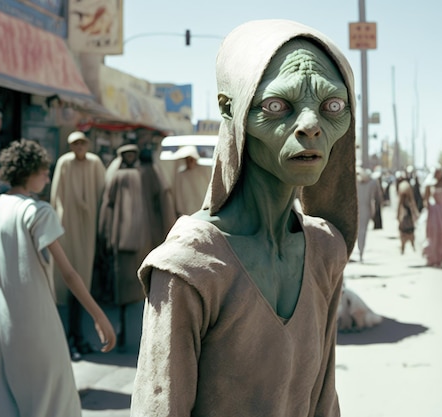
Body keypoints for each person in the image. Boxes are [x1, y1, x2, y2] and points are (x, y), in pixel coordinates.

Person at [130, 19, 358, 416]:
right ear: (230, 109)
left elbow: (324, 400)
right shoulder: (190, 266)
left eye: (332, 107)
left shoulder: (325, 249)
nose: (310, 126)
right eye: (277, 106)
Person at [0, 139, 115, 417]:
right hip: (36, 324)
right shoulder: (37, 212)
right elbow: (70, 274)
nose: (48, 177)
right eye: (43, 172)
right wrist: (98, 315)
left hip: (0, 331)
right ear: (29, 173)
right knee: (54, 403)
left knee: (10, 402)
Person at [50, 130, 106, 360]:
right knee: (66, 280)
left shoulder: (95, 163)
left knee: (83, 279)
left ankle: (78, 336)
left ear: (88, 144)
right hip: (67, 229)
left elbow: (103, 194)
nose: (79, 147)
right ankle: (69, 337)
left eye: (82, 143)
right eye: (75, 143)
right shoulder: (64, 163)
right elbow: (56, 195)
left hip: (89, 227)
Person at [98, 143, 147, 350]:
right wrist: (106, 234)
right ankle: (120, 331)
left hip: (138, 238)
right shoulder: (115, 176)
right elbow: (108, 205)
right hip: (119, 238)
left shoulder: (142, 175)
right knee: (120, 287)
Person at [172, 145, 211, 216]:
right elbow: (178, 195)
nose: (189, 161)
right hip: (188, 213)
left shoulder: (204, 171)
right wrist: (180, 211)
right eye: (187, 159)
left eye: (191, 159)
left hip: (203, 211)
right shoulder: (181, 175)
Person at [356, 167, 382, 262]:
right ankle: (360, 252)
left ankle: (359, 250)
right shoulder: (372, 183)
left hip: (356, 209)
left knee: (358, 231)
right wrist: (373, 213)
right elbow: (374, 199)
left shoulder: (356, 182)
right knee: (362, 231)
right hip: (365, 210)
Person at [397, 180, 420, 254]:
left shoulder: (406, 199)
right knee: (407, 233)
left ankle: (406, 246)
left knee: (406, 233)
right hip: (406, 218)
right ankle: (405, 247)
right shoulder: (405, 198)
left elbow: (412, 205)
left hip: (407, 218)